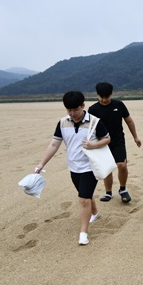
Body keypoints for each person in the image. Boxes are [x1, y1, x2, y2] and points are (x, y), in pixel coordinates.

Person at [35, 91, 110, 246]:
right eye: (69, 110)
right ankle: (94, 213)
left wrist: (93, 145)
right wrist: (41, 164)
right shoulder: (63, 123)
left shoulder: (95, 122)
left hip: (90, 167)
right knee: (86, 196)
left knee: (83, 199)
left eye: (75, 110)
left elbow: (107, 138)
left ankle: (83, 233)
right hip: (73, 167)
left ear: (83, 105)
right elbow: (54, 144)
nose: (73, 114)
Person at [88, 82, 142, 204]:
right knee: (107, 168)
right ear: (97, 95)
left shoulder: (119, 105)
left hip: (118, 140)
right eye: (101, 97)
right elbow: (89, 129)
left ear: (111, 94)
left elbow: (129, 121)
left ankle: (123, 189)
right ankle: (108, 192)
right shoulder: (93, 109)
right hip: (101, 142)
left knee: (122, 165)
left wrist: (135, 137)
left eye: (107, 97)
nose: (104, 100)